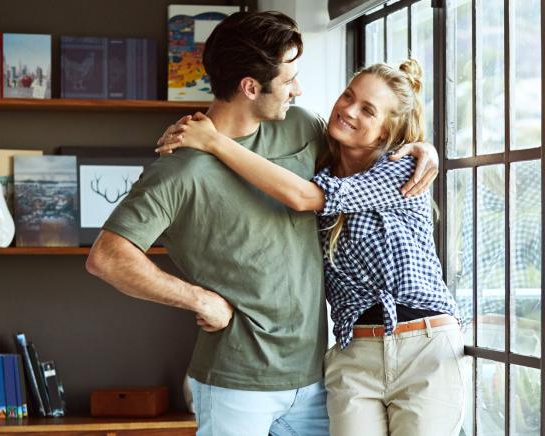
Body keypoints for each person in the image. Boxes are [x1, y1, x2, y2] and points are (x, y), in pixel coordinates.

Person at [86, 11, 440, 436]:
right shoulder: (179, 171)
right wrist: (199, 300)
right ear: (250, 87)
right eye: (289, 78)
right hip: (236, 383)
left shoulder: (303, 127)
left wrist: (420, 147)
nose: (299, 88)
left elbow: (365, 143)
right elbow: (107, 257)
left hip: (316, 379)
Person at [157, 59, 465, 436]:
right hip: (354, 355)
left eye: (367, 110)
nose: (348, 109)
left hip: (424, 346)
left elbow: (303, 198)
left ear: (388, 130)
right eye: (348, 96)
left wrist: (213, 141)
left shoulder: (399, 169)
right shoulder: (316, 166)